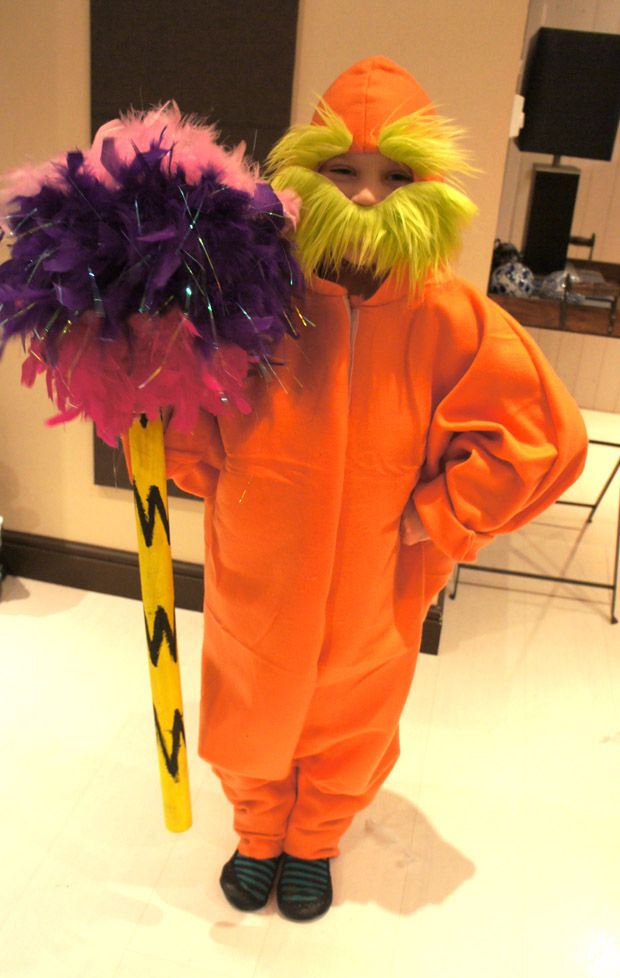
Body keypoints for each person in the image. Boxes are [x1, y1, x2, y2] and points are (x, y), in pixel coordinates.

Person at [164, 56, 587, 920]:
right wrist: (205, 467)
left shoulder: (450, 316)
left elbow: (542, 437)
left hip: (379, 575)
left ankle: (316, 837)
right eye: (341, 171)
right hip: (260, 566)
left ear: (429, 186)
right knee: (251, 693)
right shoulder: (254, 303)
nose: (364, 196)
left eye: (392, 175)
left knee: (354, 707)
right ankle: (257, 826)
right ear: (302, 177)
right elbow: (186, 414)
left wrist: (443, 516)